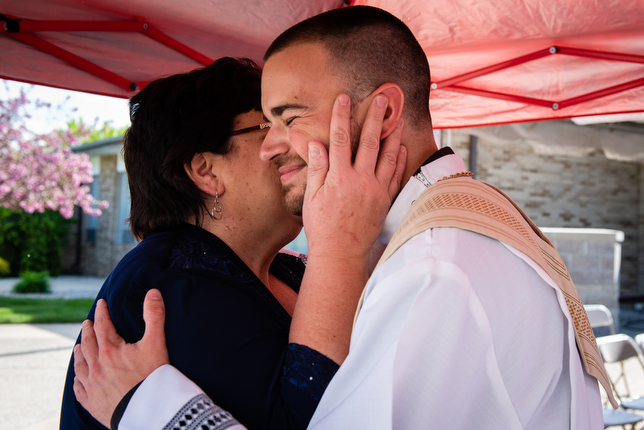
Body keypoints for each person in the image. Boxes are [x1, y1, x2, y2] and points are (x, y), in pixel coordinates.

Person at [74, 5, 614, 430]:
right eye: (263, 124)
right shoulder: (442, 236)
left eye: (286, 118)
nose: (271, 147)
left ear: (382, 111)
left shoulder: (430, 269)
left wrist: (147, 409)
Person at [60, 55, 406, 430]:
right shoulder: (172, 286)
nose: (284, 144)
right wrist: (340, 245)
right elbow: (311, 421)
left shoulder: (281, 266)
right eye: (268, 125)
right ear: (206, 171)